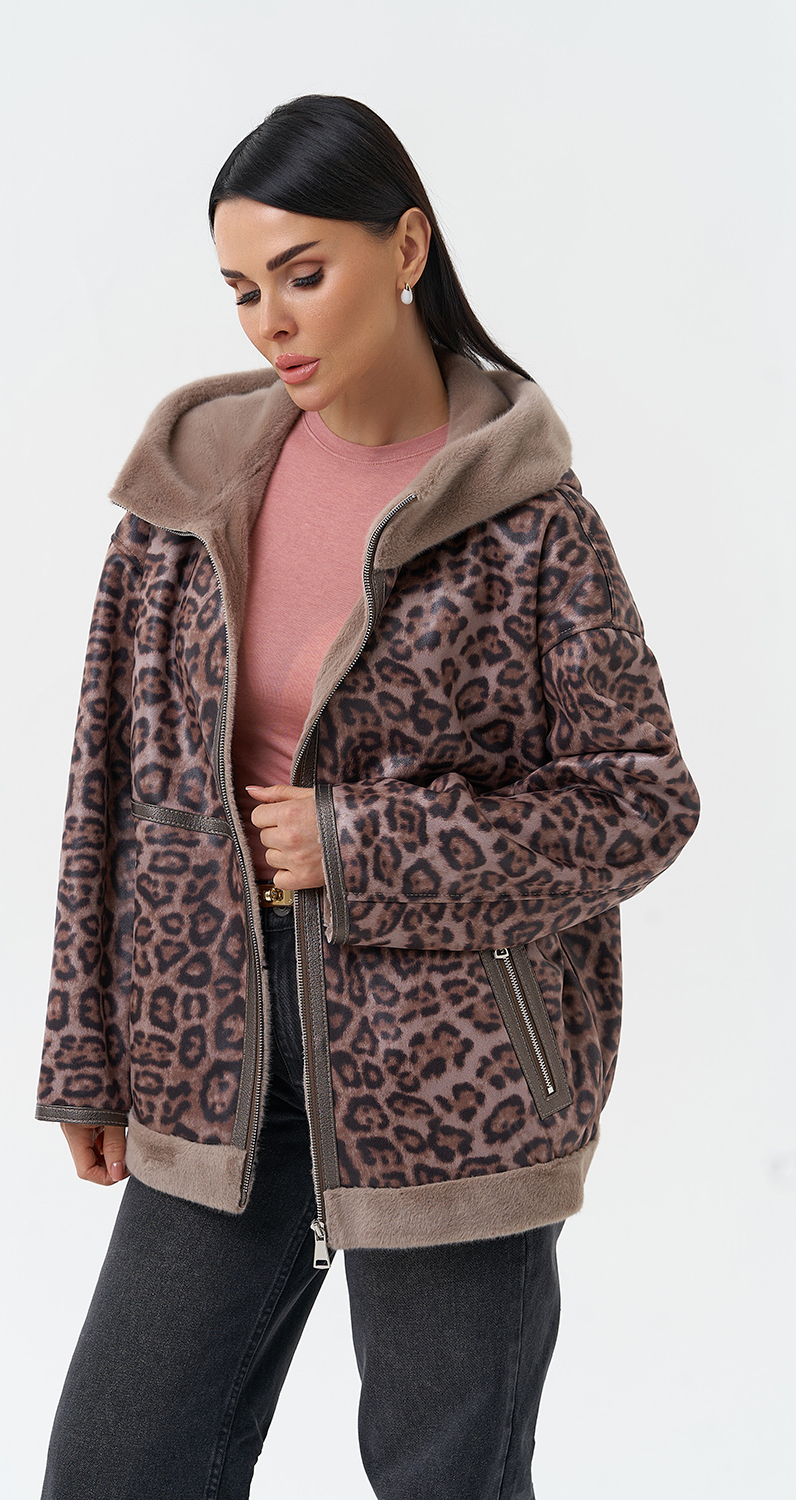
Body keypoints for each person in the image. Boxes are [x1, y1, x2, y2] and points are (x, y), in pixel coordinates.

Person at [35, 95, 699, 1500]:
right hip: (210, 1047)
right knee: (114, 1465)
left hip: (461, 1076)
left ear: (405, 247)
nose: (270, 323)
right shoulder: (184, 503)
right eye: (241, 289)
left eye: (303, 273)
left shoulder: (528, 522)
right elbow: (106, 790)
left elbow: (643, 801)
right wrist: (85, 1049)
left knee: (442, 1479)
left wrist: (364, 843)